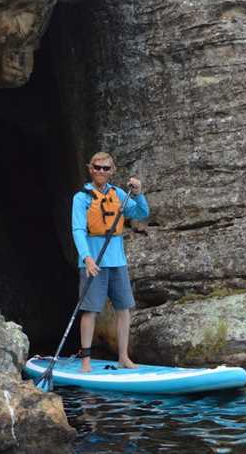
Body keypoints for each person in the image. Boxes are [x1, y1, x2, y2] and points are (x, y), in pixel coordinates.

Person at [71, 151, 149, 373]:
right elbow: (77, 230)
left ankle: (123, 357)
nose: (101, 171)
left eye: (106, 168)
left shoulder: (119, 195)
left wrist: (138, 193)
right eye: (97, 167)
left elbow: (142, 212)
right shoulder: (81, 198)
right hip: (93, 262)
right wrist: (86, 258)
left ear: (112, 171)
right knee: (90, 310)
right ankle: (85, 361)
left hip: (117, 261)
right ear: (90, 168)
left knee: (124, 308)